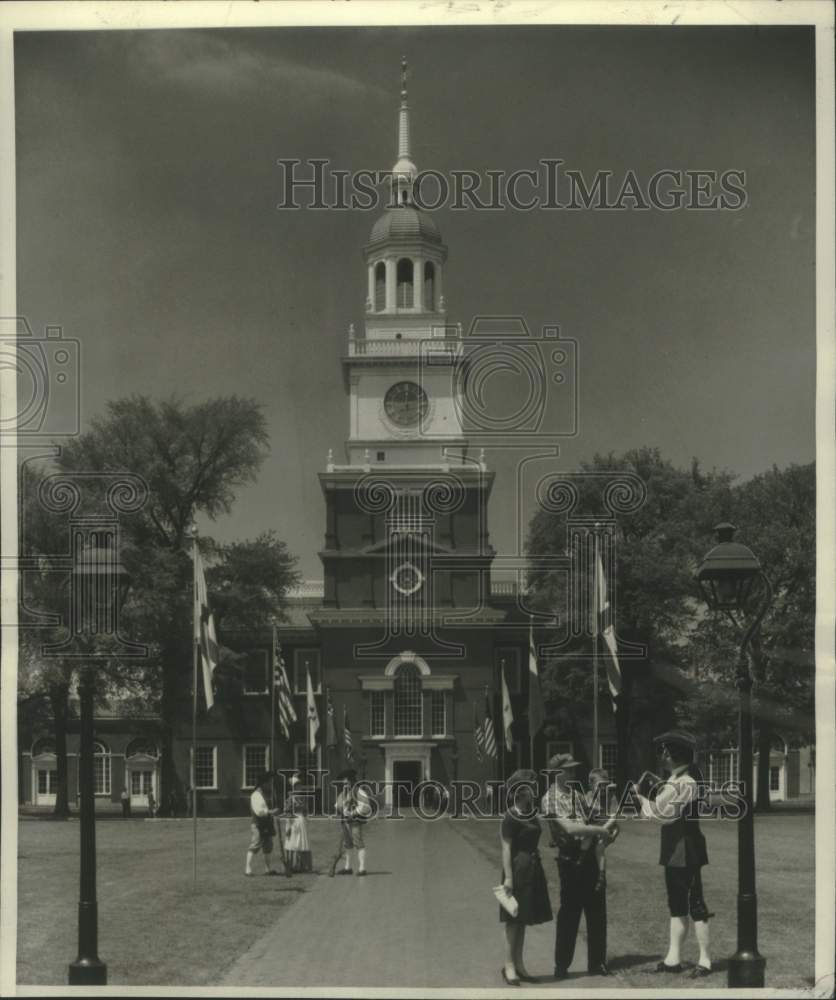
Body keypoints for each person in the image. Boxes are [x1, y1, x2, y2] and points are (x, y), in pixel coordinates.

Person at [633, 730, 713, 979]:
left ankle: (705, 960)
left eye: (666, 753)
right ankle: (673, 959)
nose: (663, 757)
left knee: (695, 904)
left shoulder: (684, 782)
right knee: (677, 904)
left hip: (684, 849)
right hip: (679, 849)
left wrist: (639, 797)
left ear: (675, 755)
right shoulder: (681, 781)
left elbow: (660, 814)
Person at [541, 753, 617, 981]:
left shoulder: (577, 795)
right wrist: (600, 831)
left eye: (574, 770)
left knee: (597, 913)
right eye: (569, 770)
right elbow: (571, 829)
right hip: (571, 859)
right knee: (569, 915)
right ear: (557, 773)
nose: (574, 773)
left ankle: (597, 963)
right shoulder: (550, 798)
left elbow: (596, 818)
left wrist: (611, 827)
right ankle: (562, 966)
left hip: (589, 859)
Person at [498, 768, 553, 986]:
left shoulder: (532, 813)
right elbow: (505, 848)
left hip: (533, 867)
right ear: (521, 791)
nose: (534, 790)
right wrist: (508, 878)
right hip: (518, 868)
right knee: (513, 920)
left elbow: (545, 836)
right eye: (531, 787)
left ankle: (519, 964)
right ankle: (509, 965)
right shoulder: (510, 816)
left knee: (523, 919)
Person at [328, 768, 372, 877]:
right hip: (345, 821)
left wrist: (353, 812)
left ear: (351, 780)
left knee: (358, 843)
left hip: (355, 821)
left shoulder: (359, 791)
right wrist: (341, 807)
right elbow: (337, 805)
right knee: (348, 845)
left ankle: (362, 868)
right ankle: (348, 867)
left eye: (346, 780)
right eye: (344, 781)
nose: (344, 783)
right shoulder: (343, 792)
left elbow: (365, 806)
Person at [583, 768, 620, 894]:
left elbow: (614, 817)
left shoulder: (611, 797)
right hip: (594, 826)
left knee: (599, 847)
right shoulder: (587, 797)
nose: (603, 788)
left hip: (608, 825)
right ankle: (580, 860)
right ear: (591, 785)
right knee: (586, 840)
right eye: (599, 785)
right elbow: (585, 816)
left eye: (605, 784)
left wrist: (603, 829)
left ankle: (601, 876)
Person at [245, 771, 282, 877]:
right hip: (258, 824)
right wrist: (271, 812)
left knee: (268, 846)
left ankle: (268, 869)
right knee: (255, 844)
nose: (270, 784)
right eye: (269, 782)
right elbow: (259, 811)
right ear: (263, 783)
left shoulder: (268, 794)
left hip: (267, 823)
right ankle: (247, 869)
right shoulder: (256, 795)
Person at [284, 774, 313, 873]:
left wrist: (306, 817)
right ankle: (291, 865)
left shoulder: (303, 798)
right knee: (292, 843)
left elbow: (305, 811)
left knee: (301, 842)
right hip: (293, 822)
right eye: (296, 786)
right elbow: (288, 812)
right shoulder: (290, 799)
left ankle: (302, 865)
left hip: (301, 821)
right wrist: (288, 825)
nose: (299, 788)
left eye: (300, 786)